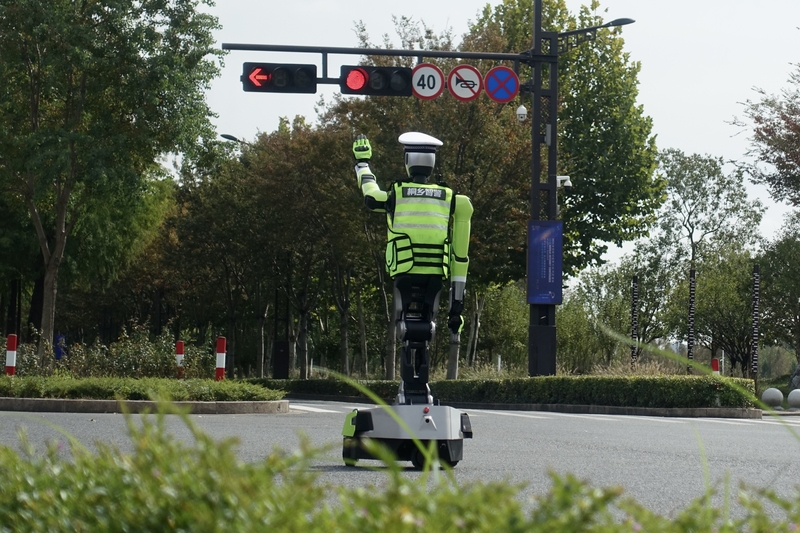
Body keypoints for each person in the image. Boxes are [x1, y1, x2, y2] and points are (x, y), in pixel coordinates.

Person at [352, 132, 473, 404]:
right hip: (435, 275)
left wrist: (362, 164)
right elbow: (460, 254)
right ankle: (421, 388)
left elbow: (371, 196)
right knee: (427, 327)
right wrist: (457, 304)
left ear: (407, 161)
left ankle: (409, 389)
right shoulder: (454, 198)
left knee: (406, 326)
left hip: (404, 271)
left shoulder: (397, 193)